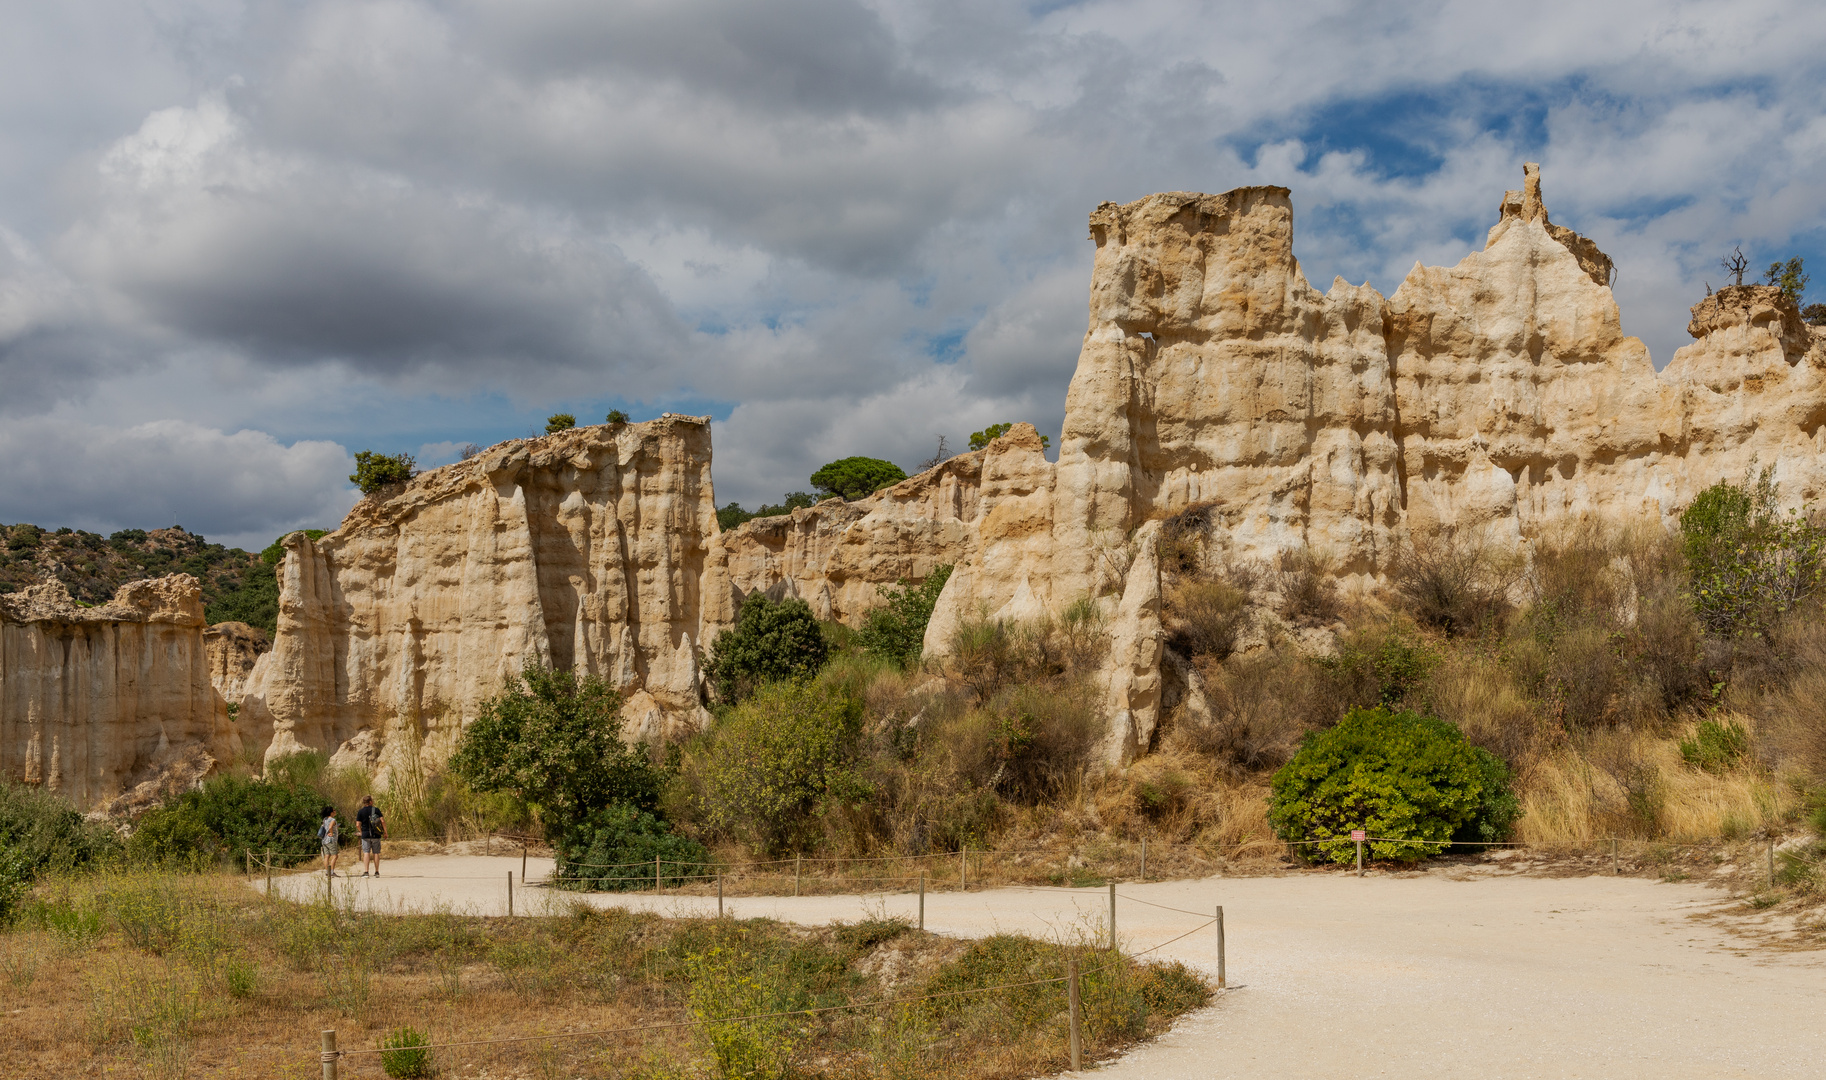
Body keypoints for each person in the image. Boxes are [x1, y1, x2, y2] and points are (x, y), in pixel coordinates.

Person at [356, 794, 387, 877]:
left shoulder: (360, 811)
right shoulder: (376, 810)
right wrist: (385, 832)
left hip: (365, 835)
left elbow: (358, 824)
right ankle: (377, 872)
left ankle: (366, 872)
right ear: (370, 802)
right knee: (376, 853)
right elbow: (382, 821)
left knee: (366, 852)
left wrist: (361, 832)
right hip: (376, 834)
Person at [318, 805, 340, 876]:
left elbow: (327, 827)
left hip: (324, 839)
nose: (335, 811)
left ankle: (327, 871)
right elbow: (330, 827)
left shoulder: (325, 819)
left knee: (326, 856)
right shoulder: (333, 820)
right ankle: (332, 872)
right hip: (331, 840)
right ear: (331, 812)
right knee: (335, 856)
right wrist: (332, 833)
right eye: (334, 810)